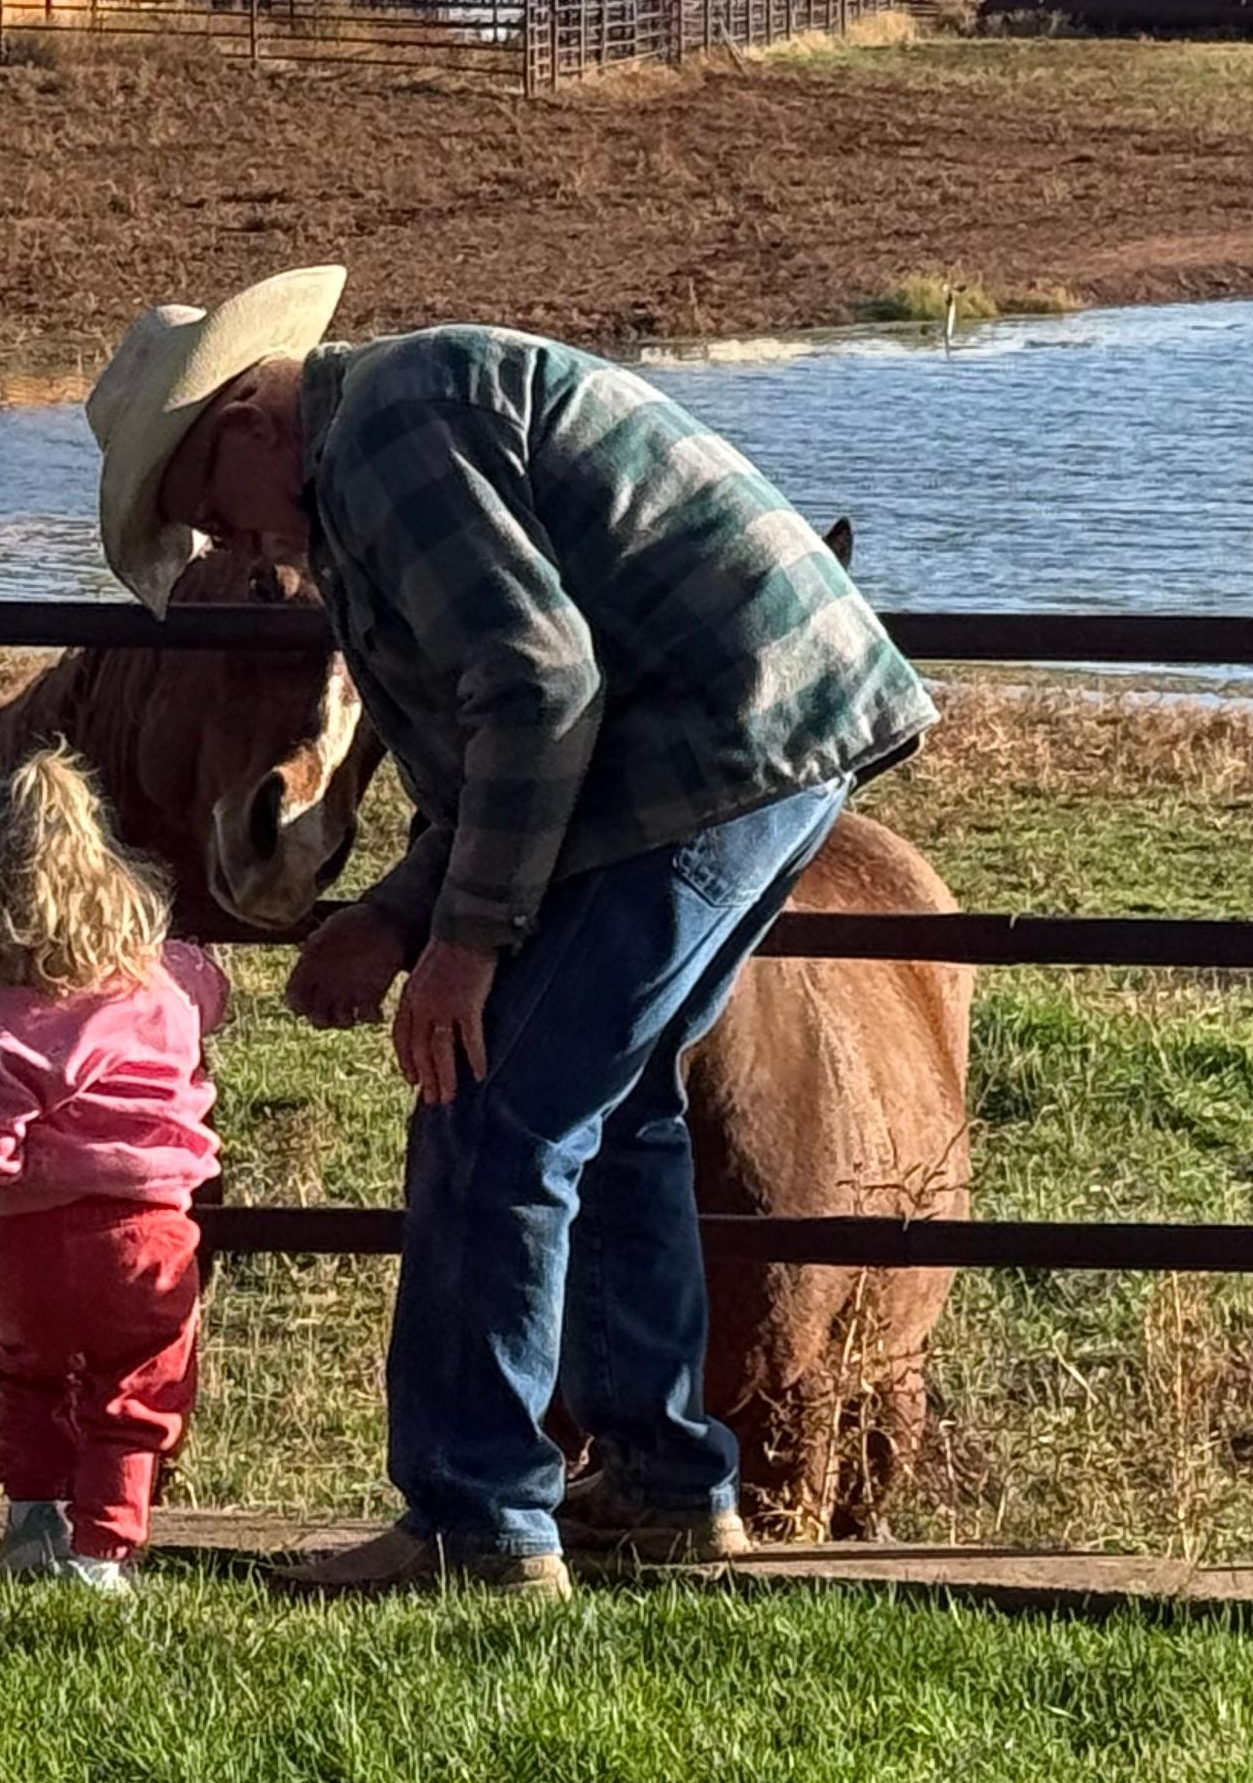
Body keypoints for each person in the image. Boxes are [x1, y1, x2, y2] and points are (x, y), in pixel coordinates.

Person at [81, 267, 934, 1597]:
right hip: (764, 730)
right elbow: (500, 735)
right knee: (621, 1101)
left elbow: (539, 692)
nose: (236, 549)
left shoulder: (382, 446)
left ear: (249, 421)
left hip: (710, 753)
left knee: (492, 1111)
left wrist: (460, 948)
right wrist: (393, 912)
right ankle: (658, 1481)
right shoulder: (380, 451)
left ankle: (476, 1516)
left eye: (207, 506)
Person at [0, 746, 226, 1596]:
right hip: (149, 1237)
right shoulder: (170, 987)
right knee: (135, 1392)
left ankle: (32, 1524)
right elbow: (214, 987)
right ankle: (102, 1556)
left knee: (26, 1376)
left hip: (30, 1241)